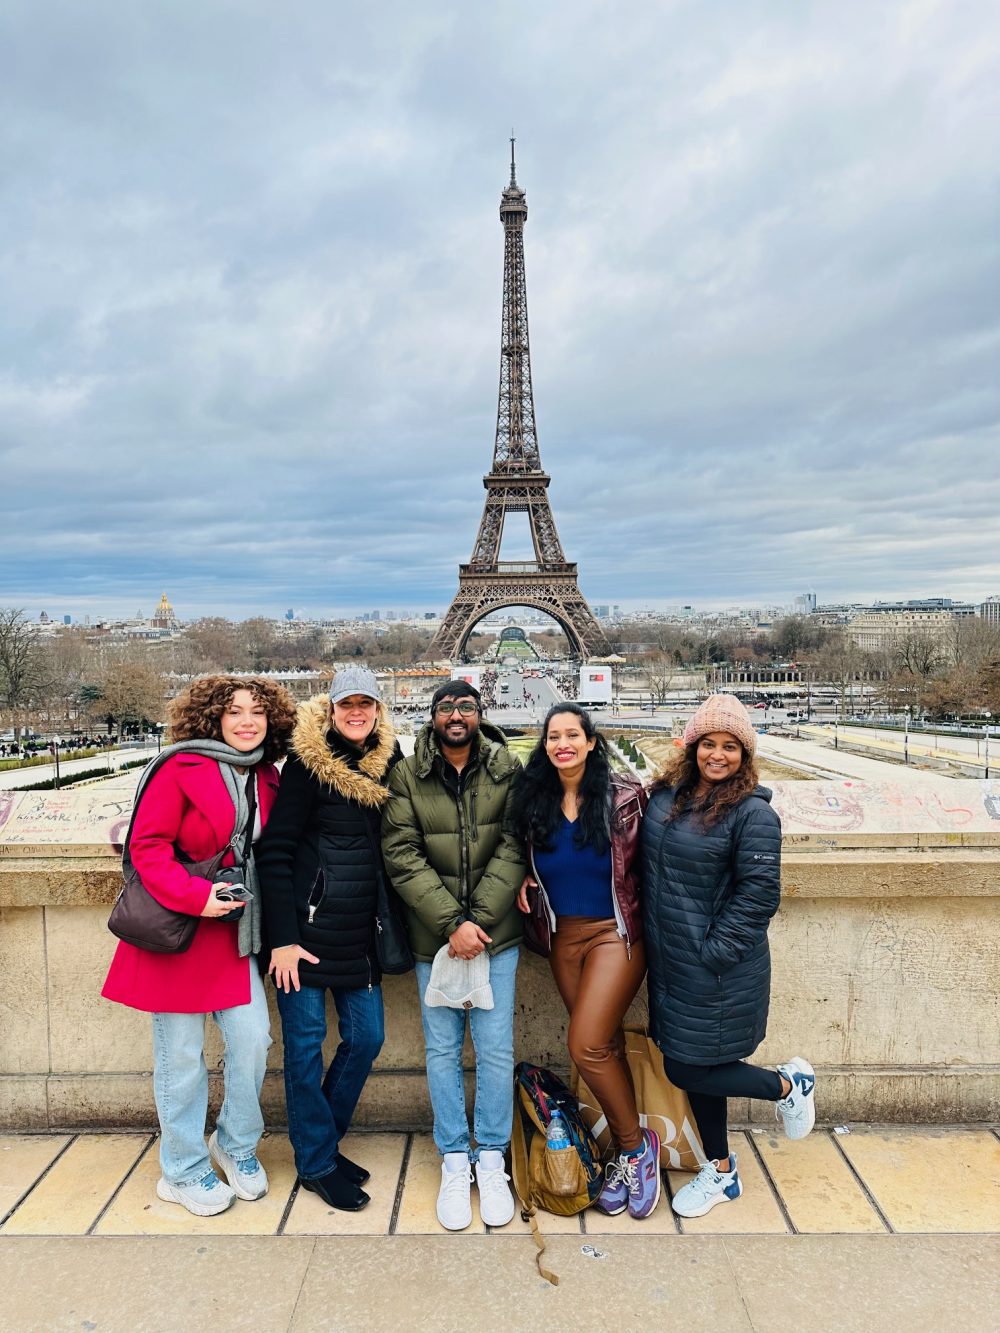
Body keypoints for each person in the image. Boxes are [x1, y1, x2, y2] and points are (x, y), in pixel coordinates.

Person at [102, 675, 296, 1217]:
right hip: (182, 934)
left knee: (254, 1042)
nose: (246, 721)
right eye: (234, 712)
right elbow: (147, 847)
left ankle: (234, 1146)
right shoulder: (179, 767)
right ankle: (182, 1169)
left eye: (257, 712)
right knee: (181, 1059)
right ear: (212, 717)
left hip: (235, 936)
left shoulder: (265, 774)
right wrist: (198, 896)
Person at [642, 695, 816, 1218]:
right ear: (691, 746)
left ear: (746, 754)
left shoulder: (753, 814)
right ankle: (720, 1171)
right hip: (671, 963)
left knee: (687, 1069)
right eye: (708, 744)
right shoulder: (668, 797)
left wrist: (712, 954)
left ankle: (787, 1085)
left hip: (714, 970)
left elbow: (760, 895)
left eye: (731, 746)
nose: (718, 755)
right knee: (703, 1065)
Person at [256, 667, 402, 1212]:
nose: (357, 712)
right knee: (303, 1049)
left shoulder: (391, 762)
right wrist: (283, 940)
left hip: (360, 932)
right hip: (305, 935)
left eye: (366, 703)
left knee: (366, 1038)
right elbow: (275, 852)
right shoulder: (305, 765)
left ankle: (322, 1141)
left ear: (378, 710)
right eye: (348, 705)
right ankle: (315, 1162)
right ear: (332, 709)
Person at [382, 679, 525, 1232]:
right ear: (433, 716)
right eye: (446, 707)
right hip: (435, 937)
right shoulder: (405, 775)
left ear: (479, 713)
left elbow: (516, 844)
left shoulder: (507, 769)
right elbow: (402, 854)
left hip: (492, 934)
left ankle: (489, 1155)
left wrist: (476, 923)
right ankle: (453, 1156)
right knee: (442, 1049)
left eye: (465, 706)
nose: (456, 714)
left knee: (493, 1049)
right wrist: (451, 924)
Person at [511, 705, 660, 1219]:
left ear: (591, 742)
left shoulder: (625, 797)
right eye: (553, 736)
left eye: (572, 734)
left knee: (585, 1044)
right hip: (561, 938)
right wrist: (523, 879)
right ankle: (624, 1153)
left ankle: (637, 1149)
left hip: (615, 934)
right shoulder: (534, 799)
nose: (562, 744)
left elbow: (661, 857)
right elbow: (515, 855)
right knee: (604, 1044)